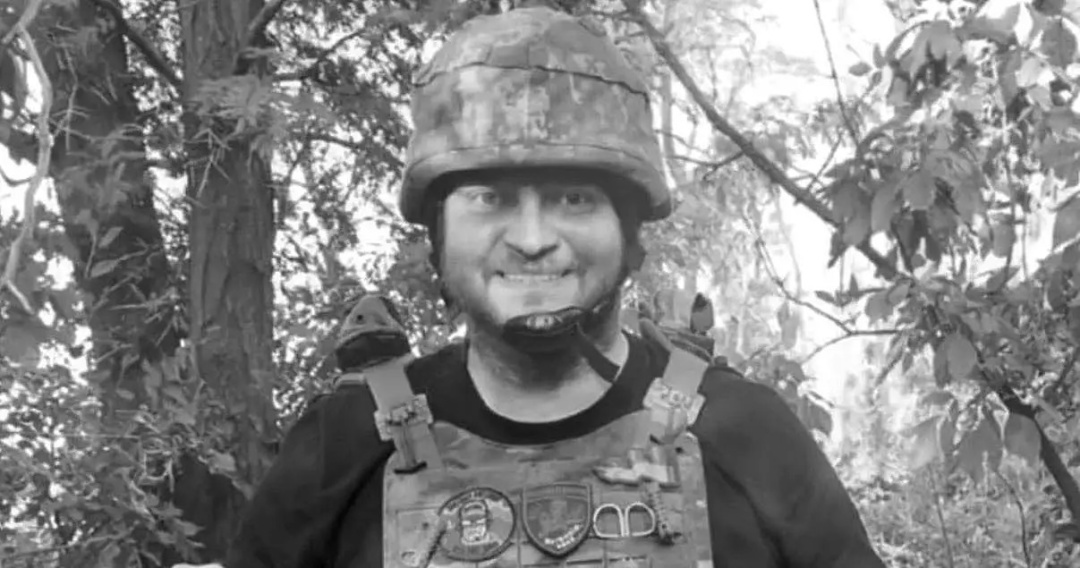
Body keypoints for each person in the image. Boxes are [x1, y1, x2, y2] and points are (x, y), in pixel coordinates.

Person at [223, 5, 886, 567]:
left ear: (630, 232)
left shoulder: (745, 434)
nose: (533, 238)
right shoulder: (343, 446)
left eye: (573, 198)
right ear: (438, 234)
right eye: (489, 198)